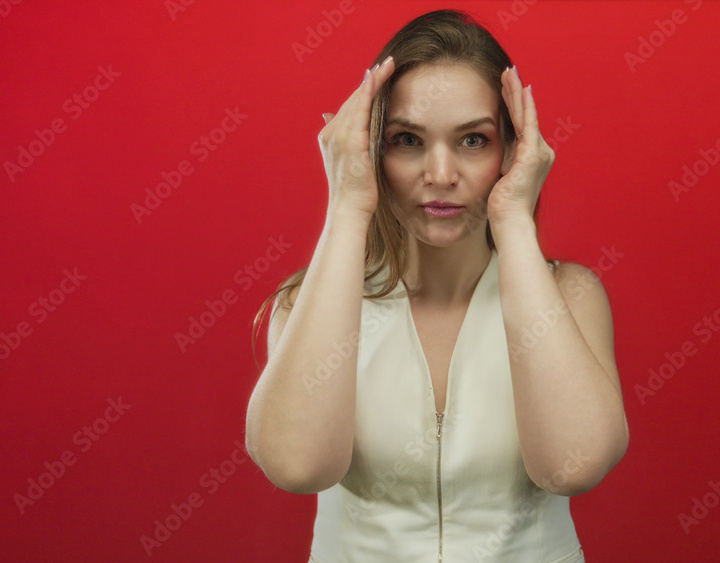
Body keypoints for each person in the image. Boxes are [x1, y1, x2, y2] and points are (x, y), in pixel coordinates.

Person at [245, 9, 629, 562]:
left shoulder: (570, 295)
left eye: (473, 140)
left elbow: (573, 465)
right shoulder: (308, 304)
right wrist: (348, 205)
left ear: (511, 151)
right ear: (374, 150)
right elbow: (297, 465)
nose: (441, 172)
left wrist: (515, 220)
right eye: (407, 139)